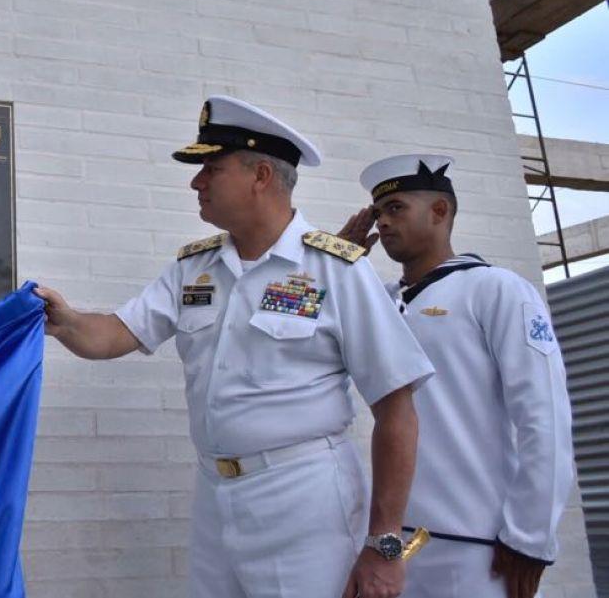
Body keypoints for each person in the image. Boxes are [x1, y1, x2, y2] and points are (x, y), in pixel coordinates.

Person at [36, 96, 435, 598]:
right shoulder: (193, 268)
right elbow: (116, 332)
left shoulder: (336, 269)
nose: (196, 182)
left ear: (261, 175)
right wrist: (64, 320)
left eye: (210, 168)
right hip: (215, 495)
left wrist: (384, 544)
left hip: (304, 497)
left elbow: (397, 411)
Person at [338, 154, 574, 598]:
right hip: (388, 544)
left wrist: (530, 538)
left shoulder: (496, 289)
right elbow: (294, 344)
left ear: (440, 211)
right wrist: (333, 264)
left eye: (396, 209)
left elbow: (544, 418)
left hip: (476, 546)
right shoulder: (378, 301)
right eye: (377, 213)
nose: (382, 223)